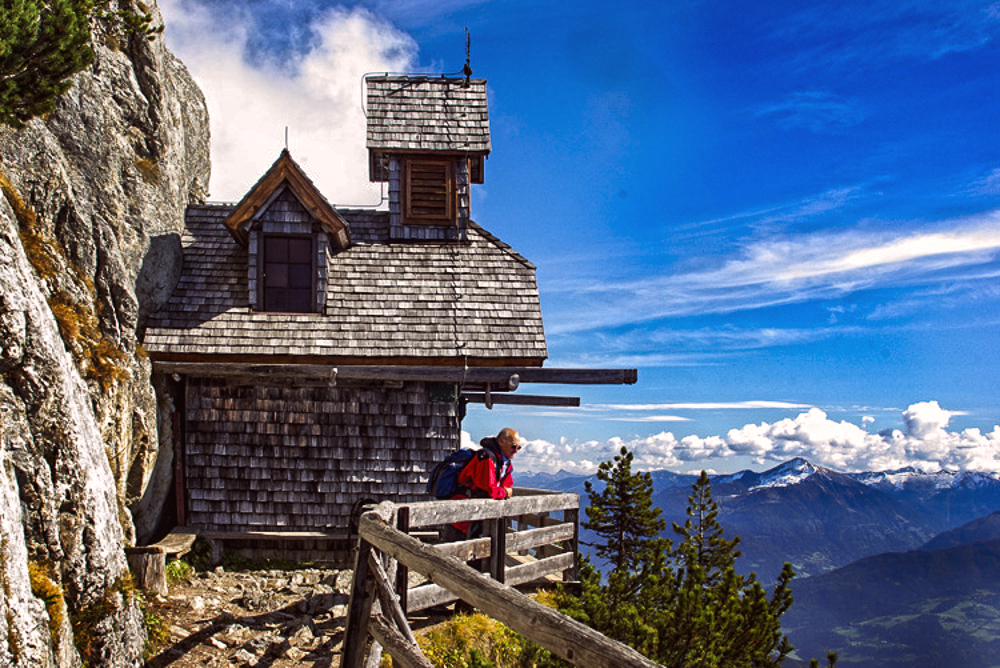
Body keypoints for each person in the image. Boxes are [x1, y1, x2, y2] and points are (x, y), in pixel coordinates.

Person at [447, 428, 521, 538]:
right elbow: (488, 490)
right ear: (501, 441)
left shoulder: (505, 464)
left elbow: (507, 485)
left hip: (478, 517)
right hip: (462, 518)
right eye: (513, 446)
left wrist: (504, 490)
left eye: (518, 448)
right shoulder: (486, 458)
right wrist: (505, 493)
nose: (516, 450)